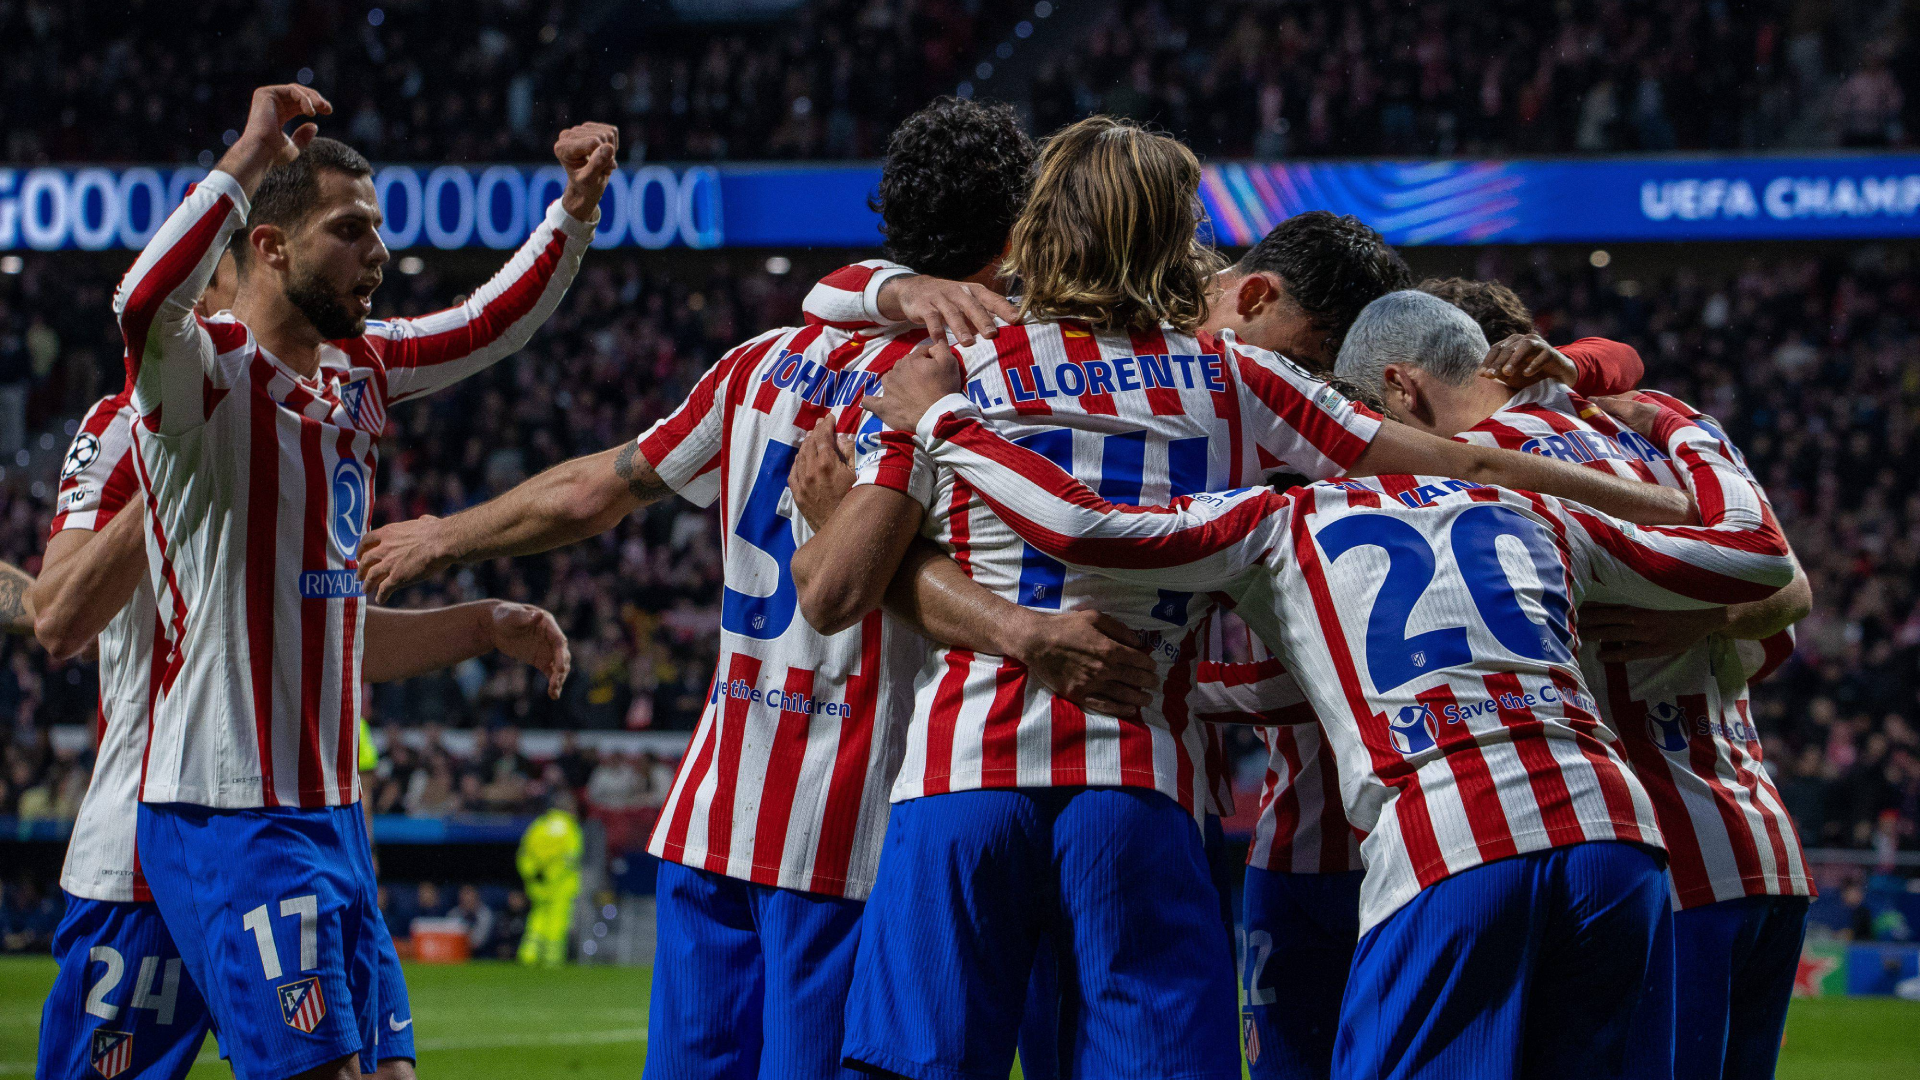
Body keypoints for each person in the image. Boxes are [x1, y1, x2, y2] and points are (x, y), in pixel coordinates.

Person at [792, 116, 1699, 1080]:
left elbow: (841, 590)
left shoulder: (947, 371)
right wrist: (1658, 502)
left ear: (1040, 223)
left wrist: (981, 597)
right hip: (1142, 780)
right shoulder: (1238, 379)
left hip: (959, 777)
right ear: (1176, 235)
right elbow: (1465, 459)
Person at [353, 97, 1155, 1080]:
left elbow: (598, 486)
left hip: (713, 817)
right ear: (1014, 233)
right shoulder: (970, 386)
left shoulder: (763, 363)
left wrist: (447, 534)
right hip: (851, 832)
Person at [862, 332, 1796, 1080]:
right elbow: (1760, 556)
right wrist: (1686, 428)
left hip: (1450, 832)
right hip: (1616, 837)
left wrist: (947, 418)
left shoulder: (1282, 518)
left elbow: (1084, 525)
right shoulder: (1543, 514)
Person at [104, 83, 607, 1080]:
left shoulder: (358, 370)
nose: (376, 253)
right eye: (349, 231)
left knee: (389, 1074)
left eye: (378, 230)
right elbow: (141, 301)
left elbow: (485, 322)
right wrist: (247, 158)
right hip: (229, 809)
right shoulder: (203, 373)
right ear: (271, 247)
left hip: (332, 809)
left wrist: (574, 212)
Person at [1335, 286, 1816, 1080]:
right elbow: (1788, 594)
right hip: (1762, 844)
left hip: (1662, 862)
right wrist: (1708, 617)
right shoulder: (1650, 441)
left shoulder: (1486, 472)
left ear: (1412, 380)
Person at [517, 792, 583, 967]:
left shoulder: (538, 826)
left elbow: (524, 854)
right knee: (557, 922)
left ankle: (529, 955)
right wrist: (551, 875)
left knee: (537, 919)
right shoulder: (570, 828)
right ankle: (552, 959)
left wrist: (534, 873)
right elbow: (571, 857)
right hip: (560, 886)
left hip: (537, 885)